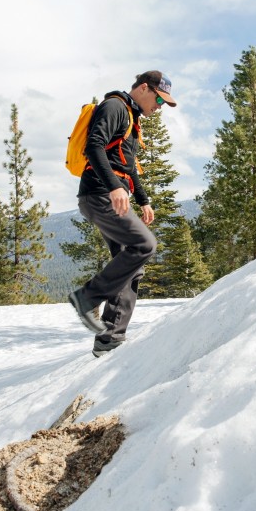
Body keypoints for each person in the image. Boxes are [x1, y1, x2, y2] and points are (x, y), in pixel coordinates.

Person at [68, 70, 177, 357]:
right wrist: (115, 187)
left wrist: (143, 200)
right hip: (100, 195)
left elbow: (128, 166)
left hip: (111, 196)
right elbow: (94, 146)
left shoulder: (131, 117)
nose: (159, 107)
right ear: (144, 88)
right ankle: (86, 297)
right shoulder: (116, 107)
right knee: (145, 245)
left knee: (130, 264)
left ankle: (109, 340)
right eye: (159, 99)